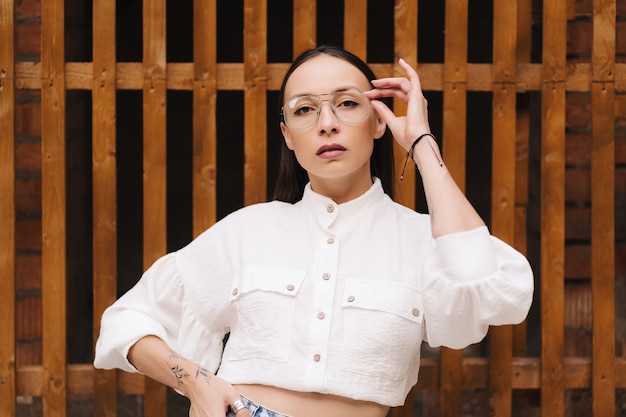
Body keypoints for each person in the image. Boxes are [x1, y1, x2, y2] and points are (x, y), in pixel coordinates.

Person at [94, 45, 534, 417]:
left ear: (379, 120)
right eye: (305, 109)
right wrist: (195, 382)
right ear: (287, 136)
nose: (326, 122)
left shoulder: (420, 240)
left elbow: (481, 285)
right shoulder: (249, 230)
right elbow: (128, 322)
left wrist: (420, 142)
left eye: (346, 103)